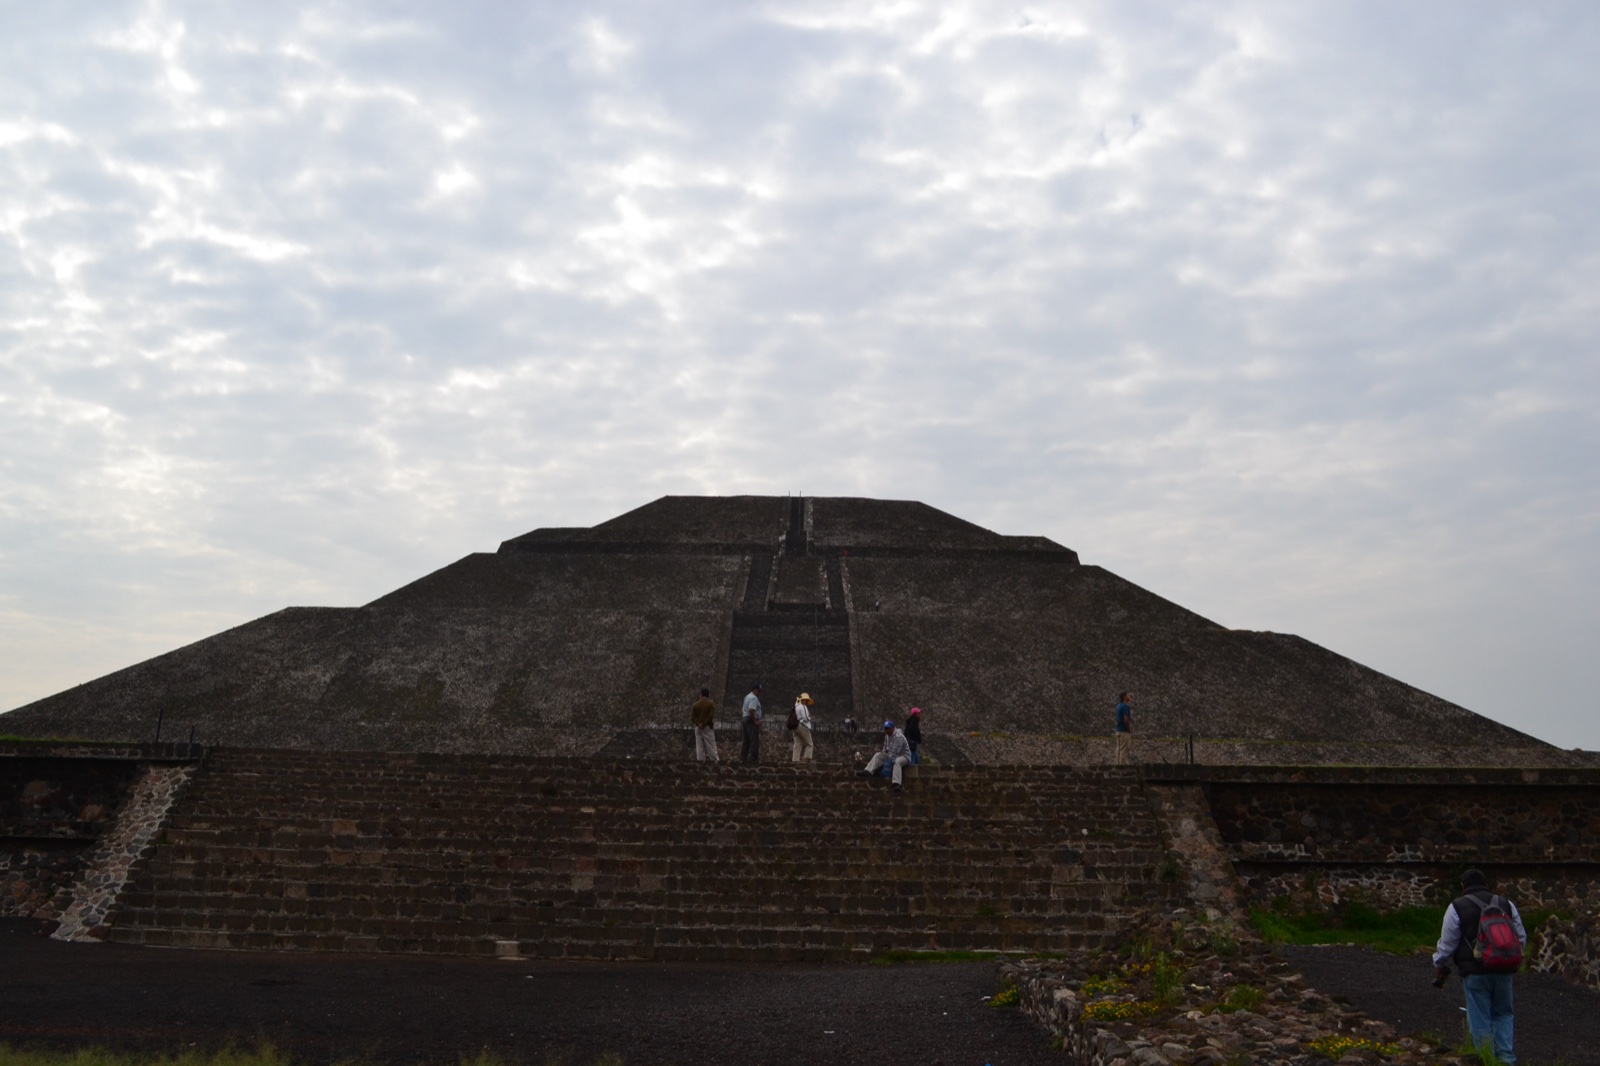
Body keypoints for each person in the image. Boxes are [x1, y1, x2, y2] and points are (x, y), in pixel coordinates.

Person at [1433, 868, 1526, 1064]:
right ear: (1486, 883)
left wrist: (1439, 963)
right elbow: (1521, 937)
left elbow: (1448, 943)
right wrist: (1510, 959)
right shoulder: (1506, 904)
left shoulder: (1457, 907)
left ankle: (1487, 1058)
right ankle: (1507, 1059)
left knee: (1479, 1017)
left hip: (1475, 970)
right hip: (1504, 969)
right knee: (1504, 1013)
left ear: (1463, 886)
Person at [858, 720, 913, 791]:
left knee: (897, 762)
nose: (887, 730)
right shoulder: (887, 736)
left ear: (893, 728)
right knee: (878, 755)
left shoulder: (898, 737)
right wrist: (883, 754)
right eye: (886, 729)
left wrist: (889, 763)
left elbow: (896, 752)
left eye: (888, 728)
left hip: (904, 756)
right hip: (891, 754)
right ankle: (868, 770)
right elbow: (885, 748)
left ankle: (896, 783)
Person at [690, 687, 718, 763]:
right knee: (711, 745)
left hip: (698, 728)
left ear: (701, 694)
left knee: (699, 746)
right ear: (708, 695)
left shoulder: (695, 705)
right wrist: (704, 723)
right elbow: (710, 716)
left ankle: (700, 761)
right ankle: (715, 761)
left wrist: (698, 723)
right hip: (707, 727)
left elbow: (692, 717)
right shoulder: (711, 704)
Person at [740, 683, 764, 764]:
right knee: (754, 740)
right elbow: (751, 709)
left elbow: (743, 709)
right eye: (759, 691)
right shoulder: (754, 698)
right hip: (751, 719)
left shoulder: (747, 697)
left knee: (746, 740)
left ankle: (743, 757)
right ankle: (754, 758)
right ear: (755, 690)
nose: (760, 693)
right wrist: (755, 721)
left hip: (745, 718)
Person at [791, 693, 815, 763]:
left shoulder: (796, 707)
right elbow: (805, 718)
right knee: (810, 744)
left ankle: (795, 761)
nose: (807, 702)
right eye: (806, 700)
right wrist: (810, 718)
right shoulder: (802, 707)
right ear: (803, 700)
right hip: (802, 726)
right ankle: (806, 759)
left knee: (797, 745)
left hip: (795, 726)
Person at [1114, 692, 1133, 765]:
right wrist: (1129, 729)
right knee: (1124, 750)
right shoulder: (1125, 706)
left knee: (1119, 749)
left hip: (1118, 730)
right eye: (1128, 695)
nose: (1130, 697)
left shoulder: (1119, 706)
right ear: (1124, 697)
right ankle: (1122, 767)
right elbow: (1126, 719)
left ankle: (1118, 764)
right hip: (1124, 731)